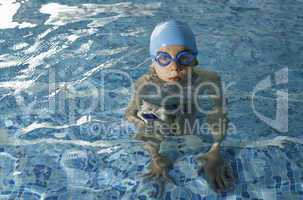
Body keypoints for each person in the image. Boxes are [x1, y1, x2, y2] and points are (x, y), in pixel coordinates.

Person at [124, 20, 234, 196]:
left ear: (195, 60)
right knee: (151, 122)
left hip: (189, 115)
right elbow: (130, 113)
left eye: (184, 58)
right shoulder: (145, 85)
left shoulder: (209, 80)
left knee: (192, 137)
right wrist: (154, 153)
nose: (174, 67)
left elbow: (219, 113)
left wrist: (215, 150)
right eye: (164, 59)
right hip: (156, 116)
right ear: (153, 62)